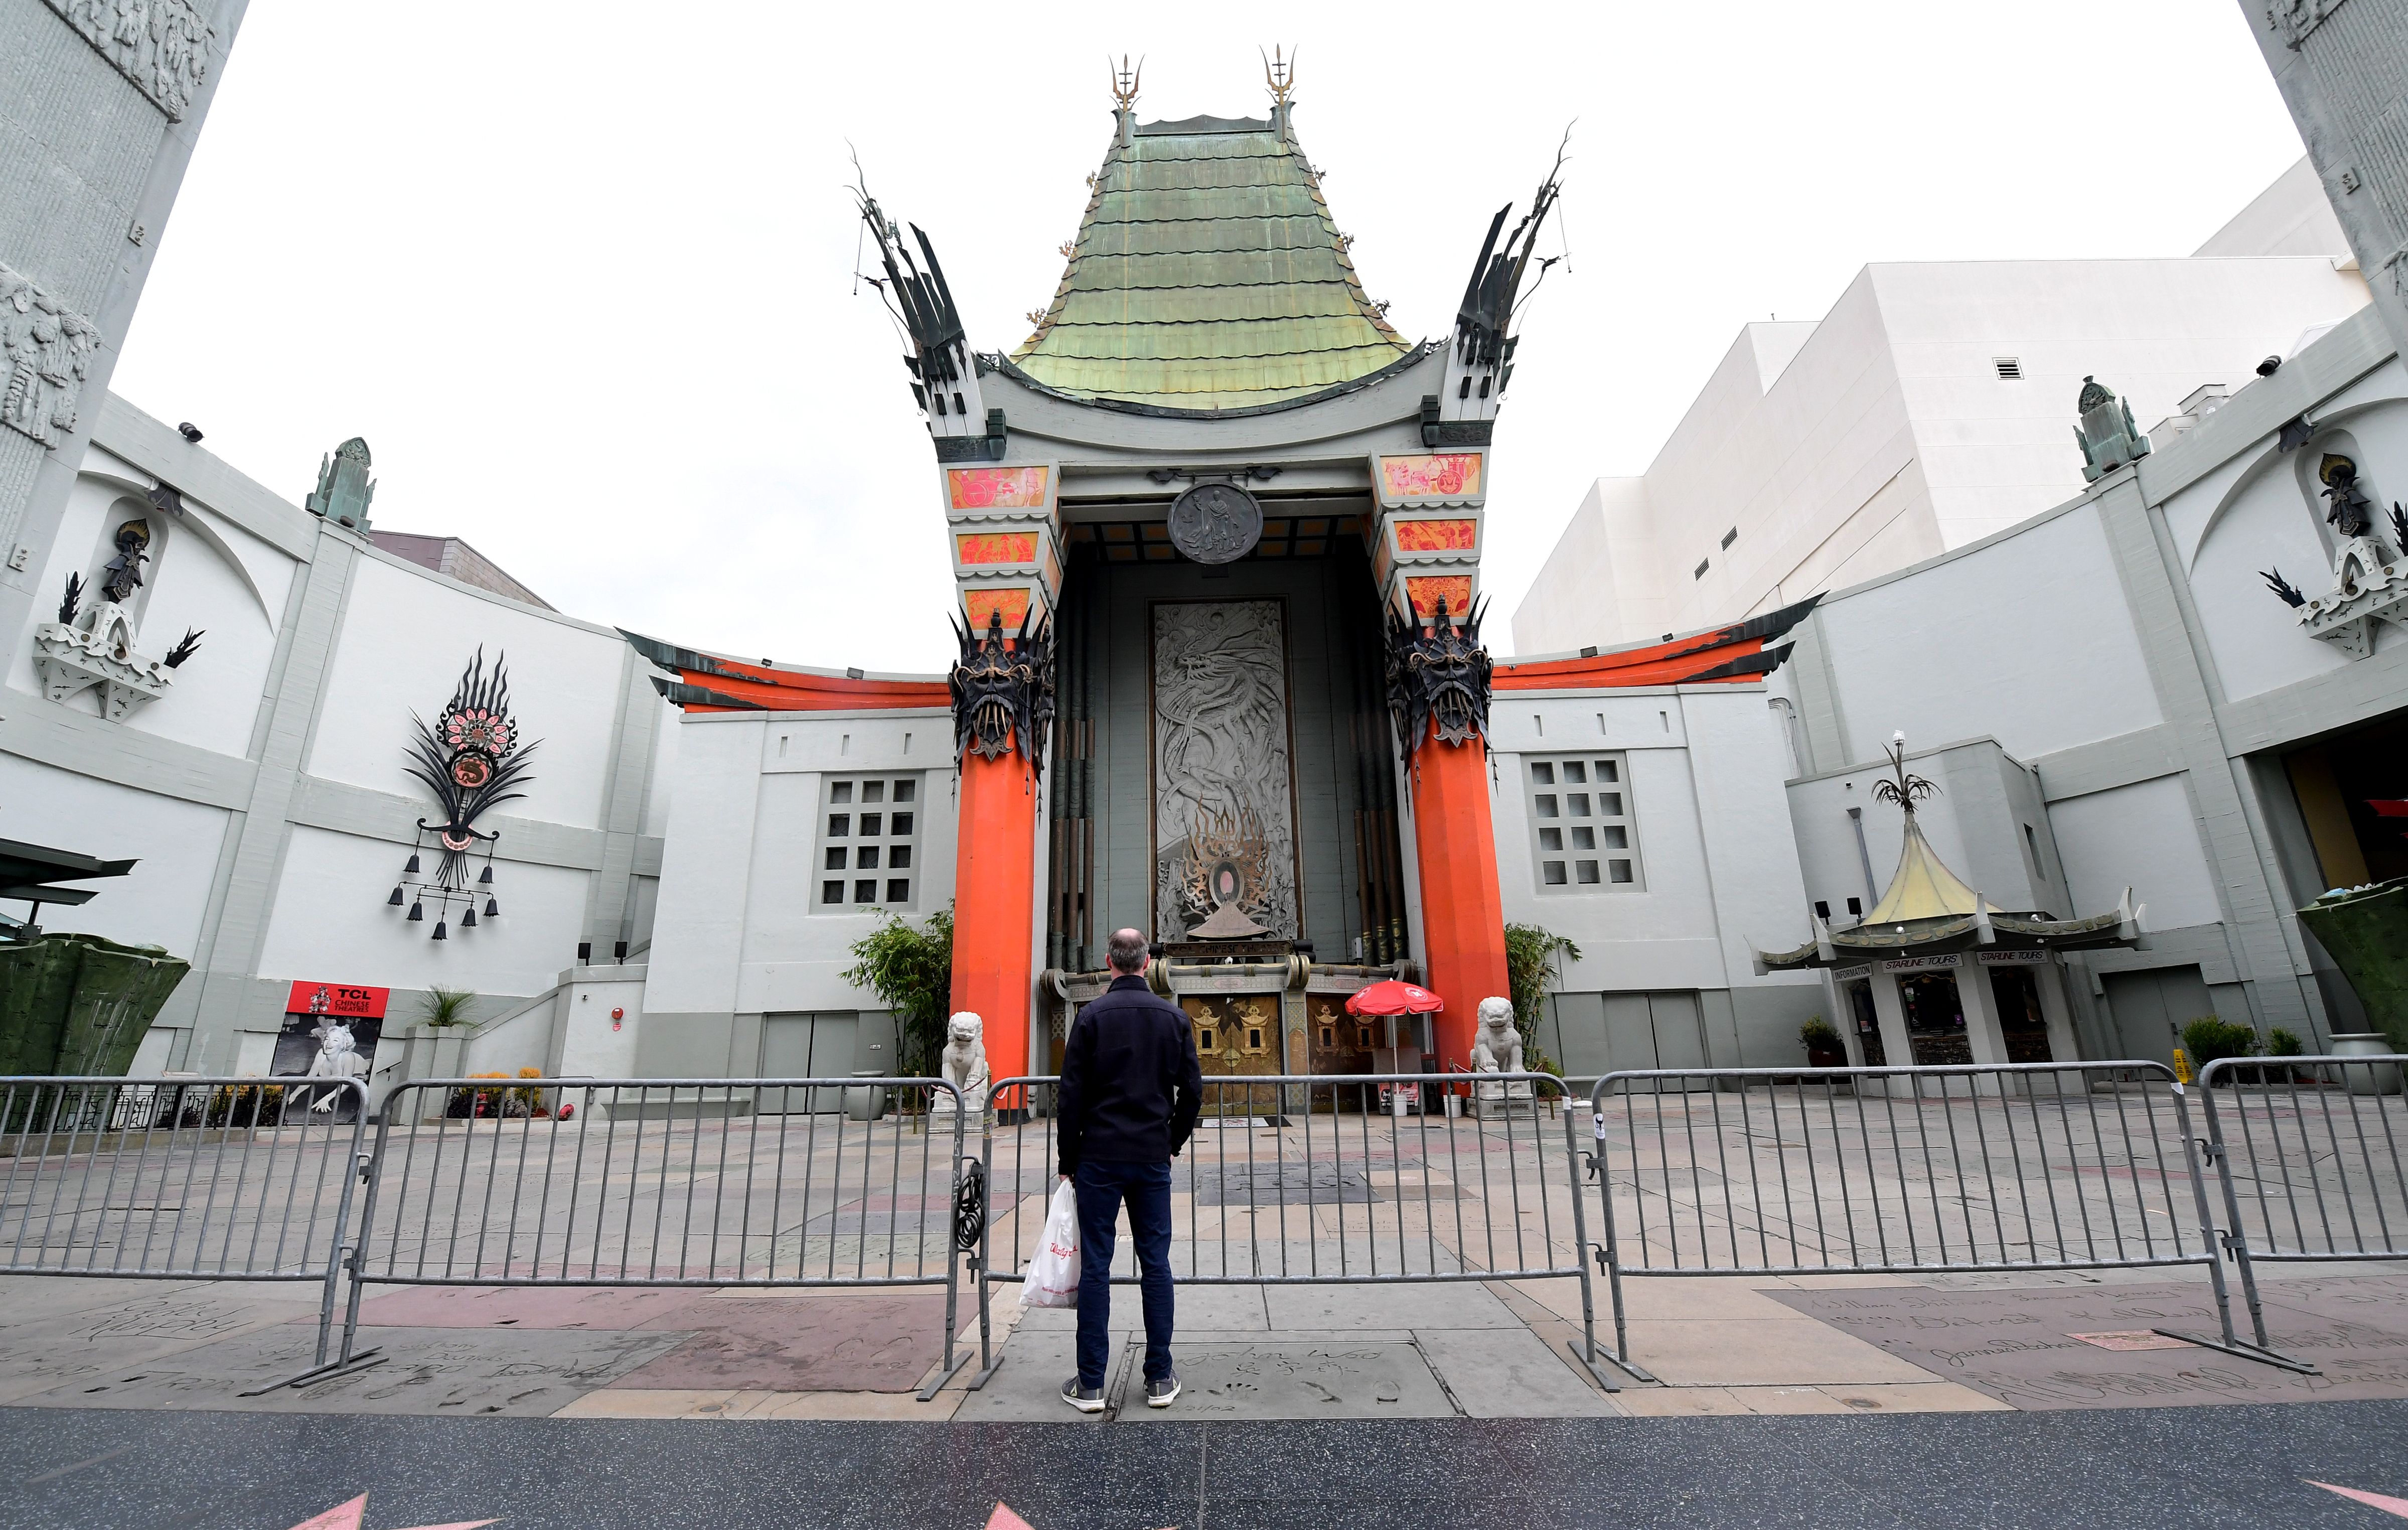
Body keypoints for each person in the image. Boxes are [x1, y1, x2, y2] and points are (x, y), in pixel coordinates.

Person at [1055, 926, 1202, 1412]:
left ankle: (1091, 1382)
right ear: (1146, 963)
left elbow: (1070, 1095)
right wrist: (1172, 1141)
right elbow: (1193, 1094)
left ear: (1109, 961)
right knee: (1156, 1263)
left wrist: (1068, 1159)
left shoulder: (1091, 1016)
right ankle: (1159, 1376)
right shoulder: (1174, 1018)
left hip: (1098, 1157)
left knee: (1096, 1264)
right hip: (1149, 1158)